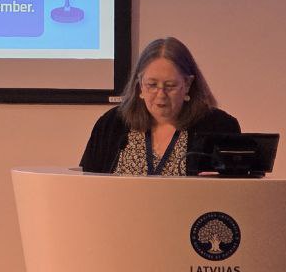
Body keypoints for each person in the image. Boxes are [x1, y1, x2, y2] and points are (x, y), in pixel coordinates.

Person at [79, 37, 240, 175]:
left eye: (170, 86)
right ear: (140, 85)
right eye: (152, 85)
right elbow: (86, 185)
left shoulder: (218, 127)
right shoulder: (112, 124)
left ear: (188, 84)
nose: (161, 94)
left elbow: (236, 192)